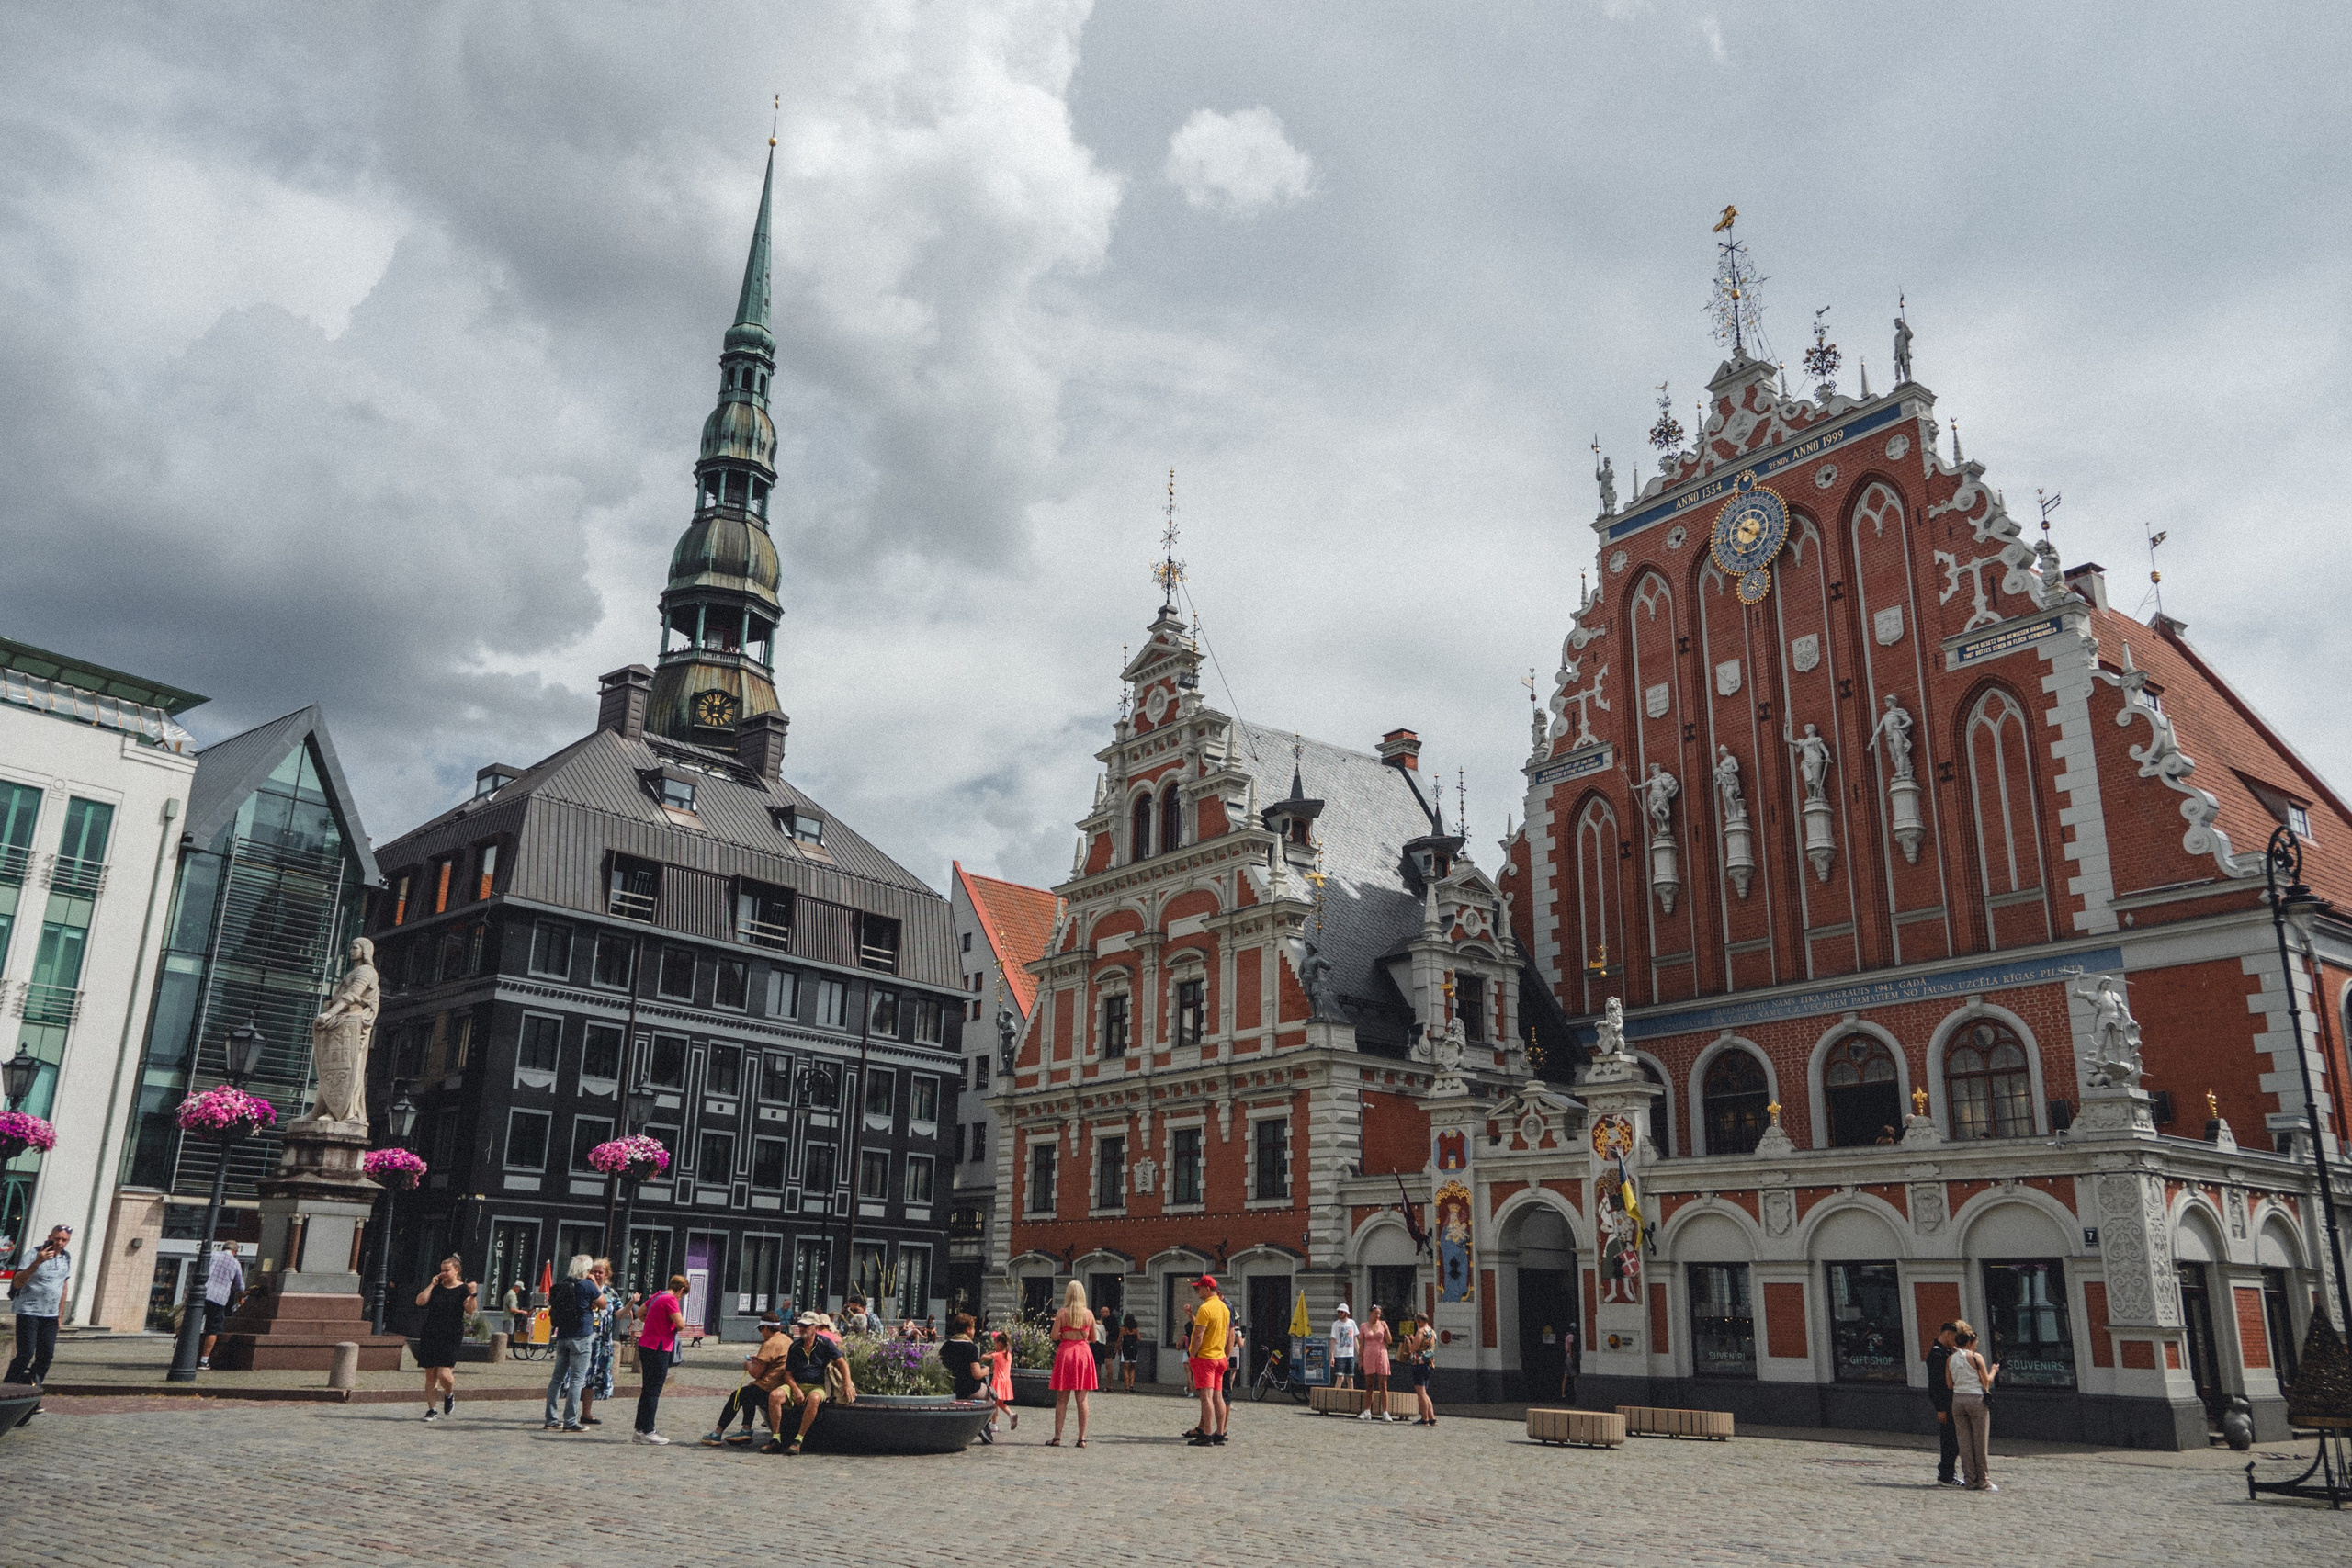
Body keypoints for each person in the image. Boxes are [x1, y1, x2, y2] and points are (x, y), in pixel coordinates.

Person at [765, 1311, 848, 1456]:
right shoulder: (795, 1346)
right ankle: (776, 1439)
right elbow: (788, 1374)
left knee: (815, 1399)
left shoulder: (824, 1343)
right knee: (774, 1395)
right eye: (801, 1325)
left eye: (806, 1326)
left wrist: (847, 1383)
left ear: (815, 1328)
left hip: (817, 1386)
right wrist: (796, 1390)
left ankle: (798, 1440)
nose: (802, 1329)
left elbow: (842, 1363)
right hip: (796, 1384)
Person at [702, 1317, 792, 1446]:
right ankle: (746, 1429)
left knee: (738, 1395)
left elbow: (756, 1373)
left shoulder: (770, 1343)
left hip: (769, 1387)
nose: (761, 1333)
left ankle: (717, 1434)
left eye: (761, 1329)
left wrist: (749, 1365)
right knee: (748, 1393)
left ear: (766, 1328)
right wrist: (759, 1360)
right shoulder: (786, 1339)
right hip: (781, 1385)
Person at [541, 1255, 605, 1433]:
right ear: (586, 1270)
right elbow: (603, 1303)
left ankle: (551, 1419)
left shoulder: (562, 1284)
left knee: (557, 1378)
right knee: (577, 1379)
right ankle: (570, 1421)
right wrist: (595, 1284)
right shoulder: (586, 1285)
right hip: (581, 1336)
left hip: (562, 1335)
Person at [5, 1224, 71, 1393]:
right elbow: (18, 1282)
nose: (60, 1243)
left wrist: (60, 1315)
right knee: (25, 1353)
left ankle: (31, 1390)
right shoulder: (33, 1254)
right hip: (29, 1311)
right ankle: (7, 1390)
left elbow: (63, 1286)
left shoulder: (65, 1258)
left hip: (50, 1315)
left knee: (46, 1356)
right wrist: (37, 1262)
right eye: (57, 1239)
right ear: (50, 1237)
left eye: (64, 1240)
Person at [411, 1256, 474, 1422]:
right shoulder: (437, 1288)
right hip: (431, 1332)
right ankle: (432, 1409)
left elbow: (470, 1310)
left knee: (444, 1374)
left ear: (456, 1270)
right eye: (442, 1270)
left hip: (451, 1334)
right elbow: (420, 1301)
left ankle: (449, 1394)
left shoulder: (463, 1289)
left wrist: (473, 1294)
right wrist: (432, 1284)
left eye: (447, 1270)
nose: (443, 1273)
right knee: (430, 1373)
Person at [632, 1272, 690, 1446]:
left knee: (646, 1389)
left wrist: (655, 1321)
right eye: (682, 1295)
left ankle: (639, 1430)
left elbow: (640, 1313)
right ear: (680, 1290)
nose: (680, 1298)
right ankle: (649, 1431)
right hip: (659, 1347)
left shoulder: (657, 1295)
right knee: (654, 1391)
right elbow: (680, 1325)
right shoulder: (671, 1300)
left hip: (645, 1344)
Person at [1946, 1321, 2000, 1491]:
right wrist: (1994, 1371)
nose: (1976, 1346)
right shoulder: (1976, 1358)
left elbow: (1949, 1385)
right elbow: (1986, 1382)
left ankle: (1970, 1480)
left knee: (1964, 1443)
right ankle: (1984, 1480)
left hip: (1958, 1400)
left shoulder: (1950, 1359)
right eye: (1975, 1343)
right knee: (1980, 1442)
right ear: (1969, 1342)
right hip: (1976, 1399)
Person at [1047, 1280, 1098, 1447]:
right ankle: (1082, 1438)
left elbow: (1054, 1335)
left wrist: (1064, 1335)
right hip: (1083, 1354)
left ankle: (1057, 1437)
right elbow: (1094, 1338)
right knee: (1082, 1399)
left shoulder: (1062, 1313)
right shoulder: (1089, 1314)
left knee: (1062, 1399)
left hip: (1066, 1353)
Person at [1185, 1275, 1230, 1448]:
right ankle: (1220, 1433)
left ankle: (1207, 1434)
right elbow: (1227, 1334)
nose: (1198, 1291)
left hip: (1206, 1357)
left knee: (1206, 1397)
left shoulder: (1206, 1309)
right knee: (1218, 1396)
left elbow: (1198, 1335)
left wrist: (1193, 1353)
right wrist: (1225, 1354)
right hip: (1219, 1357)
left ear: (1207, 1289)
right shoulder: (1224, 1308)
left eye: (1199, 1288)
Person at [579, 1258, 620, 1427]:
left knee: (594, 1378)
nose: (596, 1274)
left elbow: (618, 1313)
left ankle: (586, 1413)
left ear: (607, 1274)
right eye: (594, 1271)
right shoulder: (586, 1288)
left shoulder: (611, 1293)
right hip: (586, 1337)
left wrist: (632, 1304)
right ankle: (570, 1413)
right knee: (580, 1376)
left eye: (600, 1272)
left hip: (602, 1343)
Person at [939, 1312, 992, 1444]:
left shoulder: (947, 1345)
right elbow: (976, 1374)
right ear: (968, 1330)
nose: (974, 1331)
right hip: (970, 1389)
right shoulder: (971, 1348)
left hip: (952, 1388)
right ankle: (984, 1425)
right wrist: (986, 1370)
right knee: (992, 1395)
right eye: (973, 1328)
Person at [197, 1237, 243, 1369]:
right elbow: (239, 1286)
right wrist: (240, 1299)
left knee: (193, 1325)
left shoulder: (212, 1255)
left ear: (223, 1248)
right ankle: (204, 1360)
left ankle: (185, 1354)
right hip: (219, 1299)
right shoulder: (235, 1263)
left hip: (201, 1294)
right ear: (235, 1251)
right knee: (213, 1330)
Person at [1925, 1321, 1961, 1485]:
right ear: (1947, 1334)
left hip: (1950, 1403)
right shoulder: (1936, 1354)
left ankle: (1948, 1472)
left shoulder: (1946, 1352)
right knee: (1949, 1440)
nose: (1955, 1341)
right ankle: (1946, 1474)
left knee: (1953, 1440)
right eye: (1954, 1337)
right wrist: (1940, 1408)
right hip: (1945, 1405)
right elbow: (1935, 1385)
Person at [1357, 1303, 1393, 1422]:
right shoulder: (1363, 1326)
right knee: (1369, 1385)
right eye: (1375, 1313)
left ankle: (1385, 1411)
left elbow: (1389, 1341)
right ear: (1370, 1313)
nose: (1377, 1316)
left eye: (1379, 1314)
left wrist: (1386, 1329)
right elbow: (1361, 1344)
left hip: (1381, 1353)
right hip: (1368, 1355)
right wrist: (1360, 1359)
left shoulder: (1382, 1324)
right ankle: (1367, 1410)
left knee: (1383, 1385)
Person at [985, 1327, 1018, 1437]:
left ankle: (994, 1425)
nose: (994, 1345)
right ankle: (1011, 1415)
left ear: (999, 1344)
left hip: (997, 1381)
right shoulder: (1008, 1355)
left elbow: (983, 1358)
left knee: (995, 1404)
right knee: (1000, 1403)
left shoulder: (998, 1355)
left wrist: (991, 1353)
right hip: (1006, 1381)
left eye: (995, 1343)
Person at [1407, 1320, 1438, 1427]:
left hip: (1419, 1364)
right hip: (1430, 1363)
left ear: (1419, 1321)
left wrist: (1409, 1342)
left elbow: (1413, 1349)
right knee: (1424, 1393)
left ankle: (1425, 1419)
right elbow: (1427, 1346)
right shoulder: (1432, 1332)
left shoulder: (1420, 1332)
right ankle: (1432, 1418)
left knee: (1421, 1393)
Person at [1329, 1303, 1360, 1391]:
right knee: (1340, 1378)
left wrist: (1359, 1352)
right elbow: (1333, 1340)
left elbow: (1354, 1338)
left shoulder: (1352, 1323)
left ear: (1346, 1313)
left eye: (1341, 1312)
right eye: (1338, 1312)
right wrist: (1332, 1356)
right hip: (1340, 1355)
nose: (1339, 1314)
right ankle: (1336, 1397)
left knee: (1350, 1378)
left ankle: (1351, 1397)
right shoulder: (1336, 1324)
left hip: (1350, 1355)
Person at [1560, 1319, 1581, 1405]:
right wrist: (1572, 1358)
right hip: (1569, 1358)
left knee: (1565, 1376)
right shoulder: (1571, 1336)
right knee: (1575, 1376)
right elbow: (1570, 1347)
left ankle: (1563, 1393)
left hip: (1566, 1358)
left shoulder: (1567, 1336)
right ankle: (1576, 1393)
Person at [1118, 1311, 1140, 1393]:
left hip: (1125, 1349)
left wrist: (1117, 1349)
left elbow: (1119, 1340)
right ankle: (1131, 1385)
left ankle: (1126, 1387)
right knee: (1133, 1368)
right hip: (1134, 1349)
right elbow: (1139, 1339)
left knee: (1125, 1369)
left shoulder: (1123, 1329)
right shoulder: (1136, 1329)